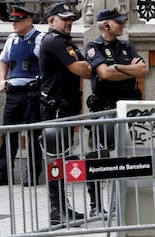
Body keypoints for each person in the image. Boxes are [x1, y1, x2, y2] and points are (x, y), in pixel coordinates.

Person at [84, 8, 148, 217]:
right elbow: (103, 73)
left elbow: (143, 71)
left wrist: (115, 68)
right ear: (105, 25)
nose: (122, 25)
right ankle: (95, 206)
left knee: (126, 158)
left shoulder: (126, 45)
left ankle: (120, 203)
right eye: (118, 22)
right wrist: (126, 68)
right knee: (98, 158)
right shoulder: (94, 46)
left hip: (127, 111)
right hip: (103, 111)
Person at [39, 2, 92, 225]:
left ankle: (61, 208)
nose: (69, 22)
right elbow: (82, 69)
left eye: (71, 19)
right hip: (56, 110)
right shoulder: (54, 41)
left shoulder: (65, 42)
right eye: (64, 19)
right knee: (55, 161)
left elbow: (84, 67)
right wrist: (92, 66)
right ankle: (57, 211)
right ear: (51, 21)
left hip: (64, 108)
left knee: (60, 160)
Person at [0, 5, 44, 187]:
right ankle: (3, 174)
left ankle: (33, 174)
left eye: (18, 20)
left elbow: (47, 63)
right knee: (8, 135)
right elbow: (3, 60)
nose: (14, 24)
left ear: (29, 20)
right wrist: (2, 80)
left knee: (34, 136)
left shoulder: (39, 39)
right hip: (13, 94)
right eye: (13, 20)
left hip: (31, 94)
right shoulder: (12, 39)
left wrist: (41, 81)